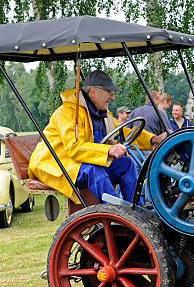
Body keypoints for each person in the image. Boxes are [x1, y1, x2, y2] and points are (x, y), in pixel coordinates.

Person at [28, 70, 166, 204]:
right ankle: (115, 213)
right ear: (93, 92)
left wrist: (153, 139)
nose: (113, 97)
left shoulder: (101, 113)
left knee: (127, 164)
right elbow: (75, 148)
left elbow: (124, 131)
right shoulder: (68, 113)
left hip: (79, 162)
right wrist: (109, 150)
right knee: (94, 170)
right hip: (55, 164)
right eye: (109, 92)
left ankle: (136, 208)